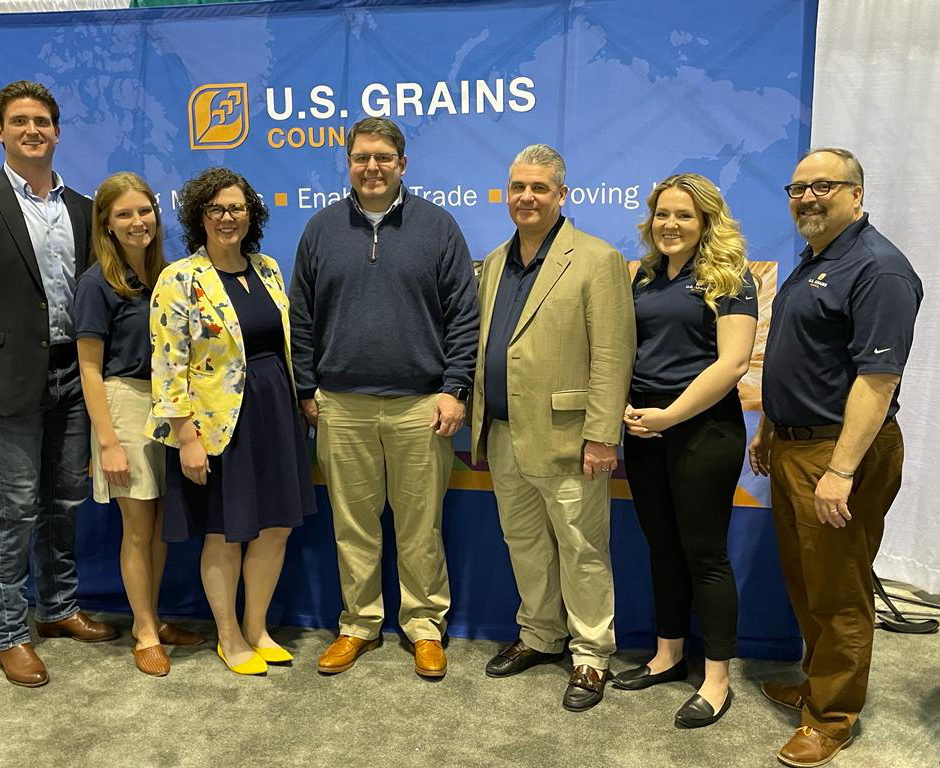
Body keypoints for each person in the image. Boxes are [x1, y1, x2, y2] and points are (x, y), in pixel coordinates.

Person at [0, 80, 117, 688]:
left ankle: (57, 609)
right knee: (15, 508)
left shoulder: (83, 209)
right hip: (4, 382)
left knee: (63, 500)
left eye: (43, 121)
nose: (33, 129)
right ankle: (10, 631)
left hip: (72, 372)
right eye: (19, 121)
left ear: (57, 132)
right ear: (1, 132)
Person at [749, 148, 922, 767]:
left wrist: (841, 471)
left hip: (839, 452)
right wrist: (769, 428)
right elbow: (799, 358)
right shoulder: (814, 261)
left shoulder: (879, 270)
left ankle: (832, 717)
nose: (807, 198)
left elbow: (876, 382)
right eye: (796, 189)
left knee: (840, 590)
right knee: (807, 581)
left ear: (856, 193)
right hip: (796, 445)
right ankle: (816, 684)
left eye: (822, 186)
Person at [289, 117, 478, 678]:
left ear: (402, 164)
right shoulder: (321, 229)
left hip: (421, 405)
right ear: (348, 163)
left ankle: (424, 626)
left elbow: (463, 317)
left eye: (383, 157)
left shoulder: (438, 228)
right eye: (361, 157)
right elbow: (300, 316)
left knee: (421, 527)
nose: (371, 167)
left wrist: (454, 389)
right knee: (353, 526)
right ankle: (359, 625)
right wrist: (306, 387)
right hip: (341, 405)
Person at [470, 144, 635, 711]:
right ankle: (540, 634)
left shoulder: (596, 258)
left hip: (570, 437)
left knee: (582, 547)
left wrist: (602, 435)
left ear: (562, 195)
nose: (527, 197)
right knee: (525, 543)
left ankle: (590, 655)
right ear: (506, 193)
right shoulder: (493, 262)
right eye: (518, 187)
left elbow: (613, 355)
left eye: (539, 188)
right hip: (504, 432)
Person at [147, 167, 315, 676]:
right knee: (226, 532)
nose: (227, 217)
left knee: (276, 528)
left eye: (236, 208)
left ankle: (258, 627)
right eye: (216, 208)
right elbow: (168, 365)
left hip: (274, 413)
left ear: (251, 215)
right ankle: (229, 636)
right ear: (200, 215)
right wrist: (186, 438)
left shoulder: (267, 269)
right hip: (218, 426)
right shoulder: (179, 279)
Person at [613, 173, 757, 729]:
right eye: (662, 215)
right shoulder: (645, 277)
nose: (670, 225)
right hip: (645, 426)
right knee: (661, 547)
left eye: (684, 216)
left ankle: (716, 679)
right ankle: (667, 654)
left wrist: (671, 416)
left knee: (704, 553)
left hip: (703, 429)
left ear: (706, 223)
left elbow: (733, 363)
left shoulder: (729, 277)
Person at [73, 172, 203, 677]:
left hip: (169, 404)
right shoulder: (95, 283)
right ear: (106, 223)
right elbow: (88, 367)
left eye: (143, 211)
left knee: (161, 528)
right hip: (123, 404)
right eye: (123, 214)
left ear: (156, 213)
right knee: (137, 526)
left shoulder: (167, 276)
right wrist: (107, 443)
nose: (136, 222)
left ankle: (151, 617)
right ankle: (145, 630)